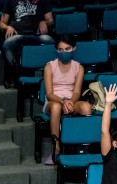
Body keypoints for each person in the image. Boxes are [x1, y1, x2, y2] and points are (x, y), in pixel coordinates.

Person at [42, 35, 91, 165]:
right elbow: (49, 94)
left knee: (86, 107)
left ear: (74, 48)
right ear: (56, 50)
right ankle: (56, 148)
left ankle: (82, 147)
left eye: (67, 49)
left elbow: (77, 92)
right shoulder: (49, 67)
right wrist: (63, 101)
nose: (64, 53)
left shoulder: (79, 68)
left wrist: (69, 101)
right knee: (57, 107)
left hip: (71, 101)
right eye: (60, 50)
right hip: (54, 101)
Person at [0, 0, 54, 83]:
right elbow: (1, 24)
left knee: (49, 41)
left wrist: (44, 22)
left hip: (37, 34)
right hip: (18, 35)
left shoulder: (41, 1)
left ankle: (48, 72)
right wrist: (7, 27)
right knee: (8, 43)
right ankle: (16, 71)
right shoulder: (10, 1)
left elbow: (51, 21)